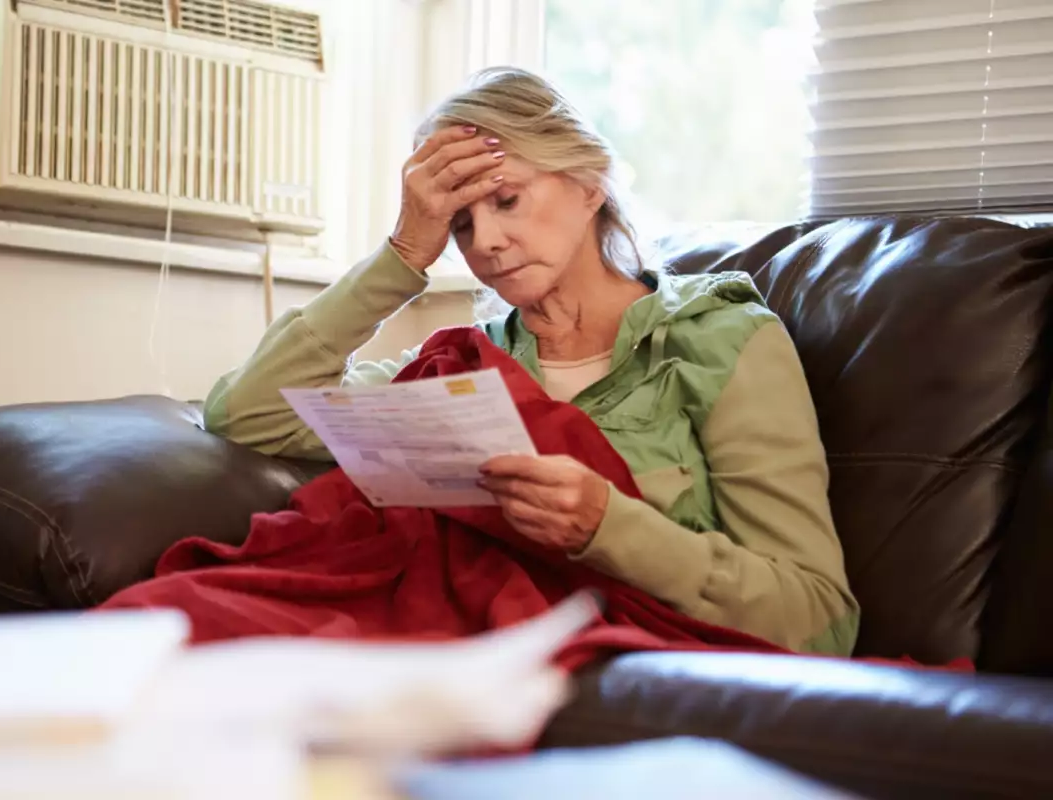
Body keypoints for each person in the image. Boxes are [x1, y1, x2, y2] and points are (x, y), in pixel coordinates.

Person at [203, 67, 859, 656]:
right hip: (449, 653)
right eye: (459, 225)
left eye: (507, 200)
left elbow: (816, 619)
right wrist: (403, 253)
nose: (485, 242)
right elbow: (249, 412)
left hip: (625, 672)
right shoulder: (465, 368)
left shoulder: (719, 342)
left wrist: (611, 526)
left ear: (588, 183)